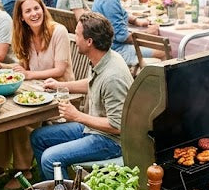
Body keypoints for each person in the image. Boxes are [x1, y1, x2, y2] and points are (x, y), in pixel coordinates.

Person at [0, 0, 74, 189]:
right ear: (21, 17)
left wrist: (29, 75)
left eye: (36, 8)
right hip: (37, 92)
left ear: (43, 9)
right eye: (28, 11)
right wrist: (2, 66)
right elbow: (22, 67)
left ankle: (24, 170)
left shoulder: (58, 31)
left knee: (20, 119)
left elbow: (60, 70)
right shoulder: (27, 34)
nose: (34, 14)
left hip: (61, 94)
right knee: (2, 113)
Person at [30, 12, 133, 179]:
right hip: (93, 128)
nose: (75, 38)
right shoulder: (102, 58)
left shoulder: (113, 76)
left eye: (77, 35)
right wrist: (60, 85)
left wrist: (77, 116)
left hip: (111, 141)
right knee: (38, 137)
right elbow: (92, 84)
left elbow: (118, 126)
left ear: (89, 41)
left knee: (51, 158)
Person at [93, 0, 162, 66]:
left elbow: (121, 12)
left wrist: (136, 20)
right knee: (163, 50)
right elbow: (123, 38)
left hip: (108, 46)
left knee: (157, 44)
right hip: (115, 51)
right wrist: (149, 33)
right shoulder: (109, 1)